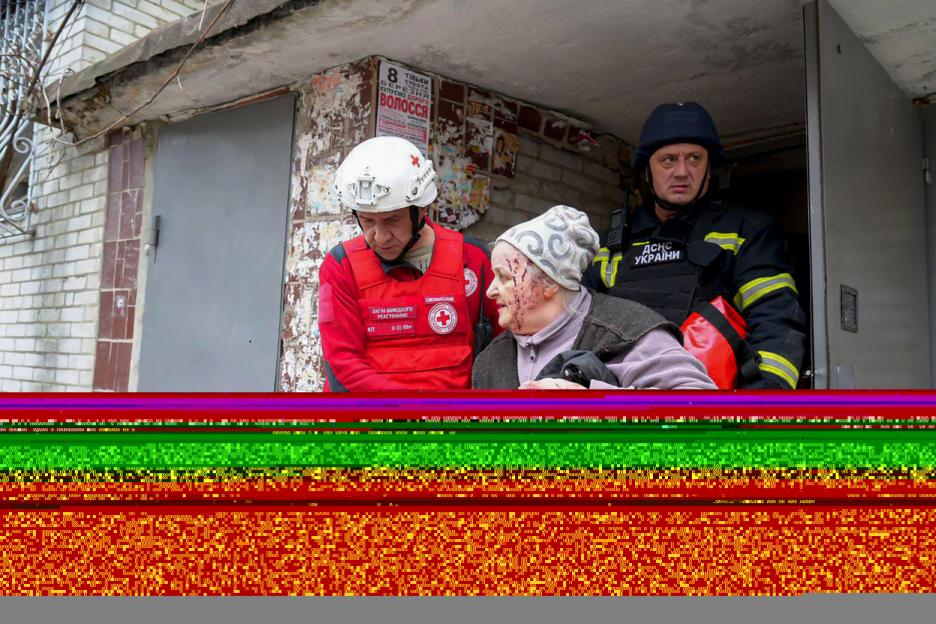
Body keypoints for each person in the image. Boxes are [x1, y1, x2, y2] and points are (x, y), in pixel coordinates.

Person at [582, 101, 807, 390]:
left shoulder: (744, 232)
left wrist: (765, 400)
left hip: (703, 404)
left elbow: (777, 317)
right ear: (647, 170)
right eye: (668, 160)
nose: (682, 172)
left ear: (709, 167)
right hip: (617, 400)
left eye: (694, 158)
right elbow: (578, 321)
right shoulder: (612, 242)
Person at [318, 136, 500, 391]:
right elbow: (343, 361)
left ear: (422, 210)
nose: (380, 237)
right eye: (367, 221)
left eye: (392, 220)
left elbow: (506, 345)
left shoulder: (474, 260)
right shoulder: (340, 266)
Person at [472, 205, 716, 390]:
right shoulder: (490, 362)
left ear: (548, 282)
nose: (490, 291)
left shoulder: (629, 332)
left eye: (503, 277)